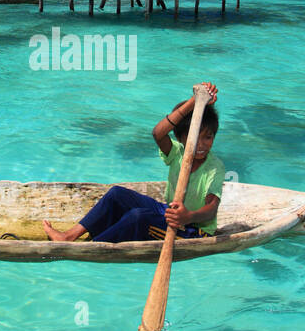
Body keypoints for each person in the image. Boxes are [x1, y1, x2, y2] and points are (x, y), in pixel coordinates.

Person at [43, 83, 224, 243]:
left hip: (195, 230)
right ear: (180, 138)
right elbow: (158, 133)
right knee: (116, 194)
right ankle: (69, 236)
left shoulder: (214, 168)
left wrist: (187, 217)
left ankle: (94, 245)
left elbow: (211, 209)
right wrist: (194, 101)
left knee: (138, 217)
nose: (201, 144)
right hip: (169, 212)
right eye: (195, 138)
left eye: (208, 138)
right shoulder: (177, 152)